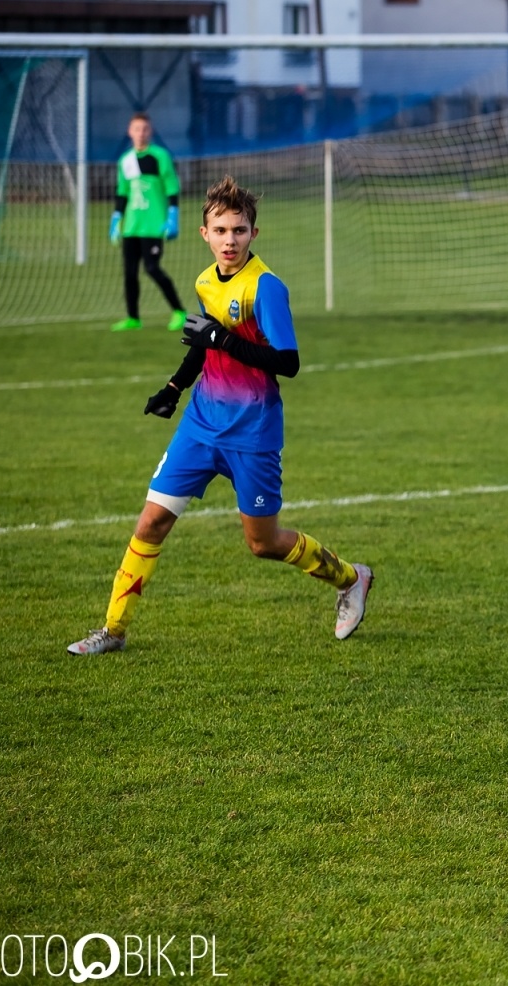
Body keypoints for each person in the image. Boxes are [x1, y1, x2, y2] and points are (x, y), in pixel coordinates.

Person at [68, 176, 372, 655]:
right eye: (221, 230)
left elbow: (286, 362)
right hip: (201, 425)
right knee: (150, 523)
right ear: (203, 233)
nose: (230, 240)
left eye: (239, 230)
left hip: (253, 432)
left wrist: (224, 340)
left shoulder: (266, 288)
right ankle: (113, 631)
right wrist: (174, 387)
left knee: (263, 543)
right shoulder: (205, 281)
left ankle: (351, 578)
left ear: (254, 233)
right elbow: (202, 343)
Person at [110, 112, 187, 332]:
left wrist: (173, 216)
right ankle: (133, 318)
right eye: (137, 129)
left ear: (150, 132)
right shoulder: (125, 160)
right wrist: (116, 219)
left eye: (145, 129)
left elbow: (171, 186)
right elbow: (122, 192)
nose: (141, 133)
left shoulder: (160, 156)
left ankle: (179, 311)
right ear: (130, 131)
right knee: (129, 272)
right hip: (131, 226)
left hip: (154, 225)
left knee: (152, 268)